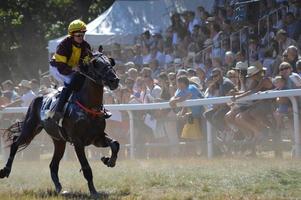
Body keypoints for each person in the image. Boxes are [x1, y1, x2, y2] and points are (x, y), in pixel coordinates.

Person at [50, 19, 92, 124]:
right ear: (72, 35)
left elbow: (87, 62)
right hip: (58, 68)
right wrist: (72, 68)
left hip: (74, 68)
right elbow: (61, 67)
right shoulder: (64, 45)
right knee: (71, 82)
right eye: (78, 35)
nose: (81, 37)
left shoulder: (86, 46)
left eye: (83, 34)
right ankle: (58, 111)